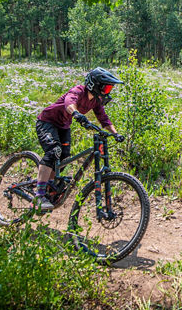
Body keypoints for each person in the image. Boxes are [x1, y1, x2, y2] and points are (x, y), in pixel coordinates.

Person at [33, 67, 125, 212]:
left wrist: (115, 133)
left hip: (63, 126)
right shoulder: (78, 91)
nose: (107, 92)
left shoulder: (95, 101)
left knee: (63, 155)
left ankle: (49, 185)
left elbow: (103, 118)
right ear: (95, 85)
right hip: (47, 122)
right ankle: (39, 196)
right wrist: (76, 114)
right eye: (106, 88)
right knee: (53, 151)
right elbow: (69, 102)